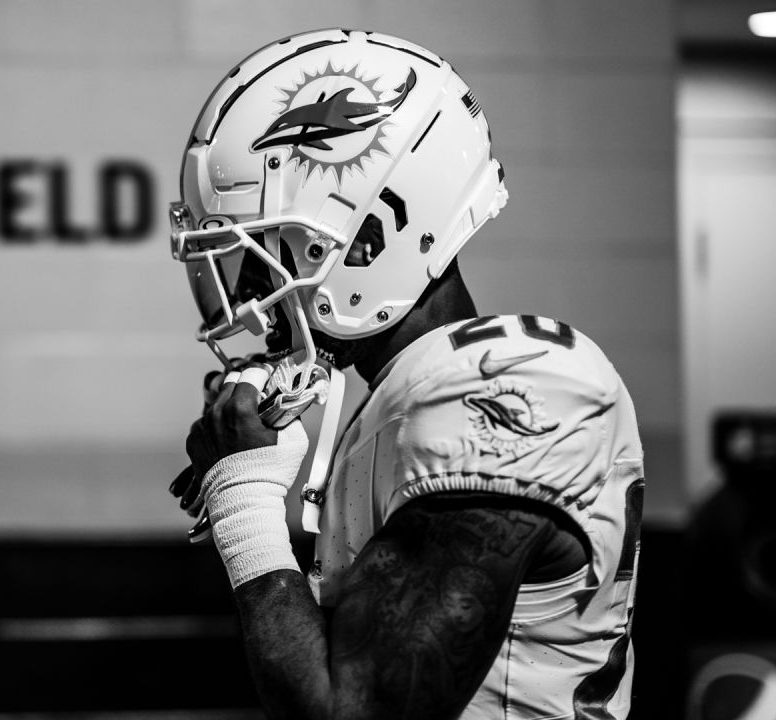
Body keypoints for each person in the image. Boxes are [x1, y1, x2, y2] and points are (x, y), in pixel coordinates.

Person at [168, 29, 645, 719]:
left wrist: (245, 507)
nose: (245, 302)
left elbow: (351, 712)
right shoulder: (404, 396)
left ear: (369, 238)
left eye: (259, 259)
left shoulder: (507, 381)